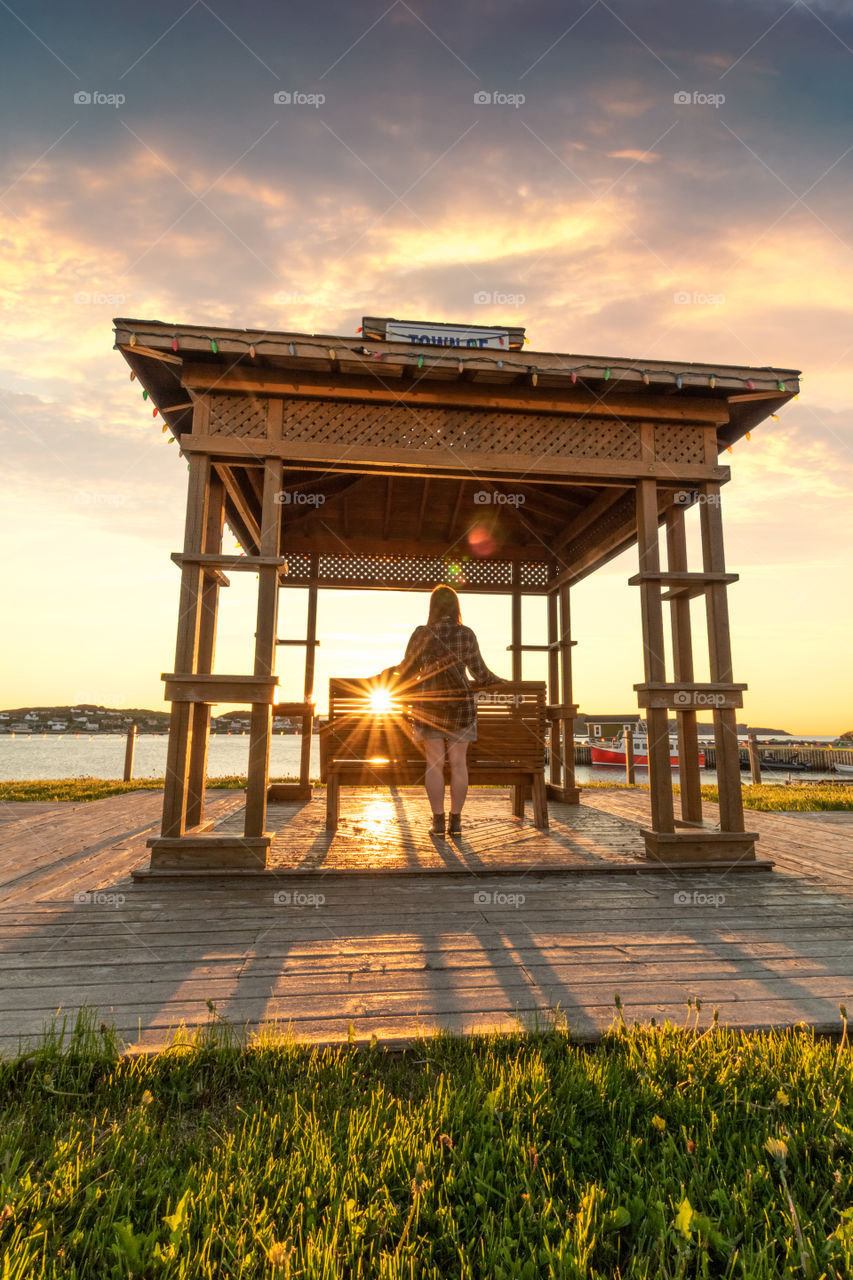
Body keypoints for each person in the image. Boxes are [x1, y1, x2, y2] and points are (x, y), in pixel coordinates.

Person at [373, 584, 506, 836]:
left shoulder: (421, 633)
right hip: (461, 709)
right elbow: (481, 673)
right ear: (456, 607)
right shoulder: (466, 634)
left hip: (428, 707)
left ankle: (437, 822)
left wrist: (389, 673)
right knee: (458, 764)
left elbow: (408, 670)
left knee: (434, 764)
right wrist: (503, 682)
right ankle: (456, 822)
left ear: (432, 607)